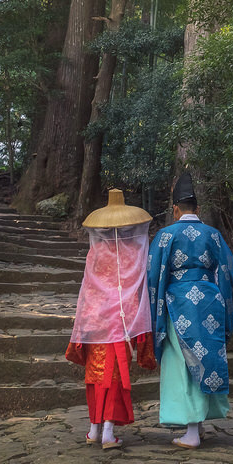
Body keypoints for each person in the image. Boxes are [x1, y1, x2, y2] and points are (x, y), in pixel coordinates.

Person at [148, 171, 233, 449]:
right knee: (206, 357)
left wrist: (156, 309)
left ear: (175, 210)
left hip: (178, 304)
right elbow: (227, 272)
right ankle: (198, 424)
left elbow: (153, 276)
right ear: (198, 209)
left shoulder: (165, 236)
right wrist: (225, 305)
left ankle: (191, 430)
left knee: (183, 364)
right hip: (210, 301)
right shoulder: (214, 235)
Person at [65, 188, 157, 449]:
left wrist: (84, 321)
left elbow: (88, 289)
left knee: (95, 375)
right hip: (123, 322)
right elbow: (138, 287)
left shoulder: (96, 253)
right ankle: (107, 431)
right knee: (113, 376)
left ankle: (94, 428)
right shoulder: (133, 253)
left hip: (96, 322)